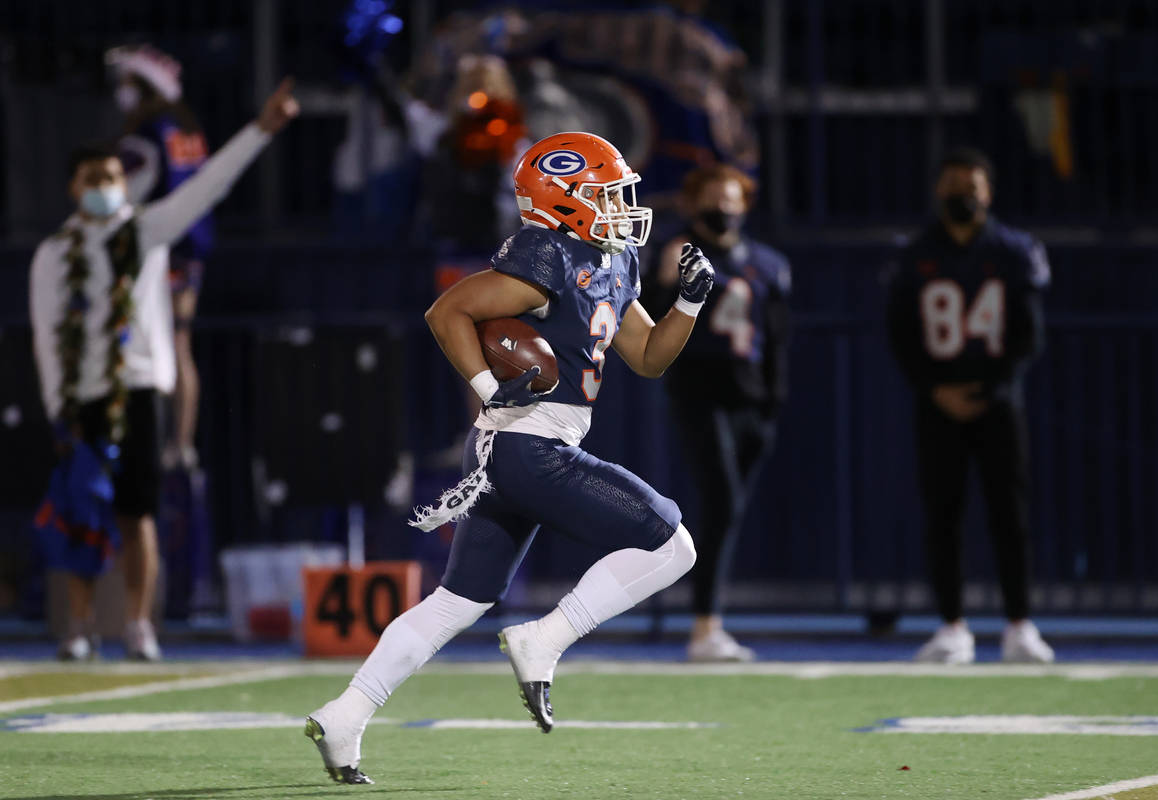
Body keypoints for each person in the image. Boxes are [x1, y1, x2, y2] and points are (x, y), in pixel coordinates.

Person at [305, 131, 715, 785]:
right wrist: (490, 390)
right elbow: (448, 313)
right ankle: (544, 638)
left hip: (524, 446)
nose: (619, 203)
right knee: (673, 542)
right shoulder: (545, 251)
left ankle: (345, 714)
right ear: (566, 199)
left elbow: (649, 358)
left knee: (457, 601)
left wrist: (689, 303)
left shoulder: (614, 259)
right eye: (605, 191)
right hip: (528, 441)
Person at [29, 79, 299, 661]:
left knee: (137, 513)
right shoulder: (53, 255)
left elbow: (207, 187)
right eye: (92, 180)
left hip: (141, 387)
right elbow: (48, 336)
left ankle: (136, 625)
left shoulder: (146, 232)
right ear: (73, 188)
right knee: (81, 510)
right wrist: (57, 408)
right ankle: (78, 628)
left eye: (111, 178)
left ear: (125, 183)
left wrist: (262, 130)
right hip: (82, 397)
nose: (103, 188)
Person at [885, 147, 1054, 664]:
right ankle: (953, 625)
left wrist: (992, 388)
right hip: (937, 400)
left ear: (989, 194)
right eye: (954, 185)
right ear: (939, 191)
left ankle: (1019, 625)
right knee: (944, 515)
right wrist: (934, 388)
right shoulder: (916, 254)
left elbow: (1029, 333)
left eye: (972, 187)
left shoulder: (1012, 250)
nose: (963, 196)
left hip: (997, 401)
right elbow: (902, 332)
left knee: (1010, 514)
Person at [650, 164, 790, 662]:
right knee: (723, 503)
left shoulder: (767, 264)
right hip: (699, 392)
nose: (723, 208)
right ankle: (705, 625)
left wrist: (773, 400)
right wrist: (667, 281)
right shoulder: (675, 252)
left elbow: (775, 338)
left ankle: (708, 623)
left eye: (731, 199)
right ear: (691, 203)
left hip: (750, 399)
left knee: (724, 513)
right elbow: (648, 322)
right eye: (712, 198)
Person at [107, 45, 212, 470]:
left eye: (127, 84)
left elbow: (124, 195)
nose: (122, 93)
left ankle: (161, 440)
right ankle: (181, 443)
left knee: (154, 344)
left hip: (161, 251)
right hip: (195, 249)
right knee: (180, 343)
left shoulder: (146, 137)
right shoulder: (187, 131)